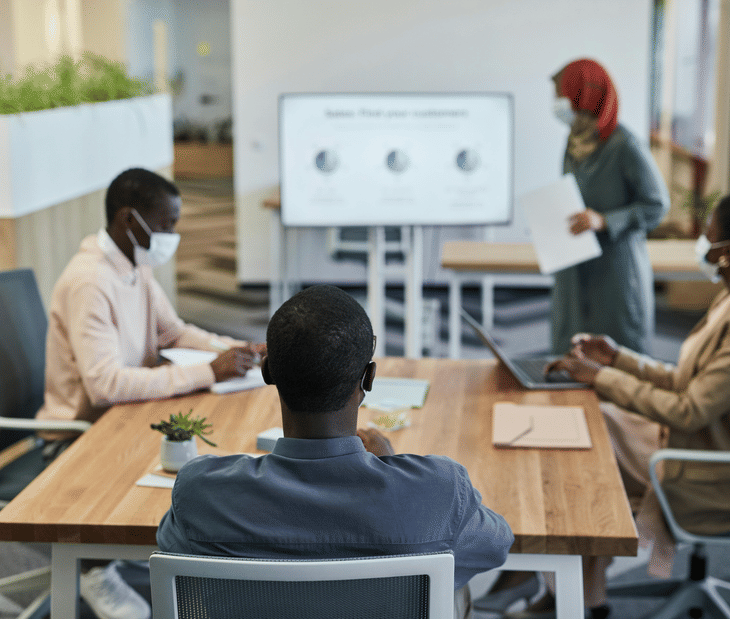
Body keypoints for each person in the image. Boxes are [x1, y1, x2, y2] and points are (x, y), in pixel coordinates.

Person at [485, 190, 730, 619]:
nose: (700, 241)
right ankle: (575, 591)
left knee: (578, 461)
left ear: (727, 253)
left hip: (712, 468)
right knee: (584, 428)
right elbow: (684, 379)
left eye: (706, 235)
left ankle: (572, 592)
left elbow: (689, 410)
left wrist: (601, 378)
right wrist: (617, 357)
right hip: (692, 439)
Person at [157, 285, 515, 619]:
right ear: (369, 379)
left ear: (267, 372)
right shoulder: (439, 491)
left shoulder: (201, 493)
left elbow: (171, 549)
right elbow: (497, 545)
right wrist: (390, 466)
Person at [36, 168, 265, 619]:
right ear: (129, 219)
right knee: (200, 461)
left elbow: (172, 332)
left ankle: (141, 555)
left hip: (122, 419)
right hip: (79, 436)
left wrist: (229, 351)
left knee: (208, 451)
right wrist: (207, 372)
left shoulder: (132, 266)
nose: (172, 235)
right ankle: (93, 569)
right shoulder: (90, 282)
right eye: (166, 224)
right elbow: (105, 386)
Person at [548, 58, 669, 355]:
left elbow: (657, 205)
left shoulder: (623, 145)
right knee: (572, 356)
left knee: (616, 359)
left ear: (582, 97)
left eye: (560, 97)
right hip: (575, 267)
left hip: (614, 271)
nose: (556, 105)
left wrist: (605, 220)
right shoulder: (573, 140)